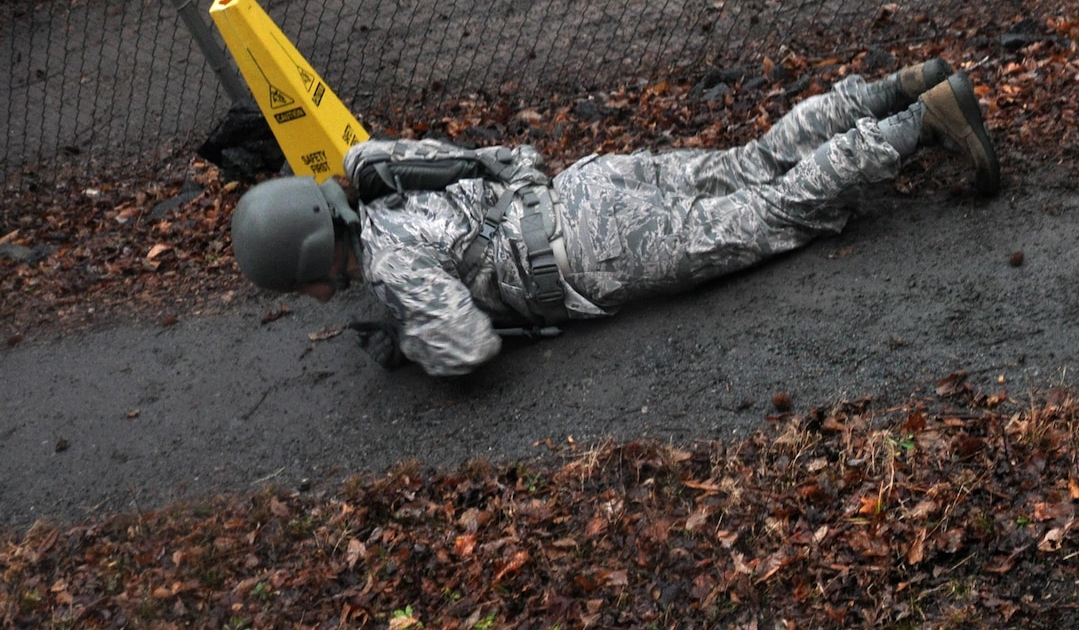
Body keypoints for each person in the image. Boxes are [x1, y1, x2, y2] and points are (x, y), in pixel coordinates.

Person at [227, 60, 1001, 375]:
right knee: (747, 163)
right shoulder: (377, 166)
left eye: (304, 287)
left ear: (311, 261)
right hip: (584, 188)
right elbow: (511, 160)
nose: (315, 299)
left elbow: (467, 350)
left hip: (594, 255)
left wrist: (405, 336)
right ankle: (890, 89)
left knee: (772, 212)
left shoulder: (392, 266)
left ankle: (919, 124)